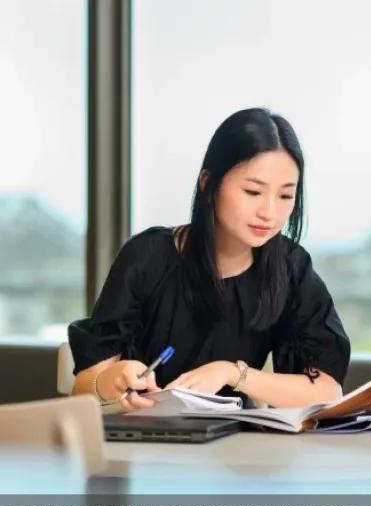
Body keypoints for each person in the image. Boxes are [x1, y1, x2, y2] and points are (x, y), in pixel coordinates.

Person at [69, 108, 350, 411]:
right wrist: (111, 378)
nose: (269, 212)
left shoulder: (290, 267)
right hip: (143, 438)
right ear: (208, 183)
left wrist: (232, 373)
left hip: (234, 445)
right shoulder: (147, 257)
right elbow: (83, 389)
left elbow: (326, 391)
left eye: (285, 196)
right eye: (253, 191)